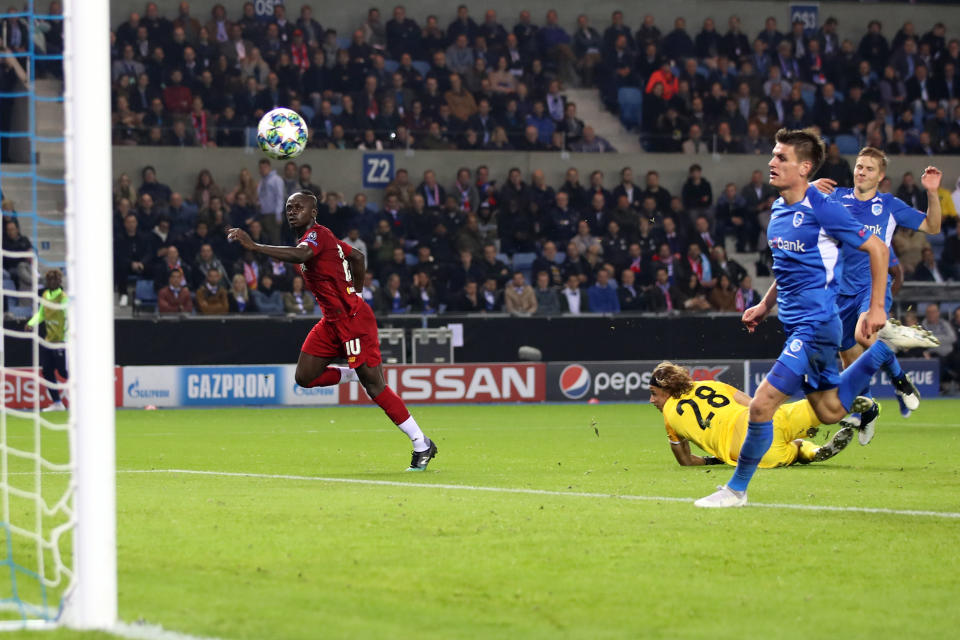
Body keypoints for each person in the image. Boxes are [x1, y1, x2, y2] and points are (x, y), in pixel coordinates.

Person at [698, 128, 935, 508]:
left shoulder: (822, 207)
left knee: (761, 405)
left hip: (815, 326)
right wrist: (764, 305)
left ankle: (736, 489)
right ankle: (878, 354)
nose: (772, 163)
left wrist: (876, 308)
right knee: (828, 411)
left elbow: (876, 248)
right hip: (796, 323)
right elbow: (787, 269)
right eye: (773, 155)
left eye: (781, 158)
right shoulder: (779, 208)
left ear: (804, 167)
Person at [227, 191, 437, 471]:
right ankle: (352, 373)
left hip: (352, 321)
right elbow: (358, 257)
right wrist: (358, 292)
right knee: (304, 377)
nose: (292, 211)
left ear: (313, 212)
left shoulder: (318, 235)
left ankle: (421, 443)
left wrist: (255, 246)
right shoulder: (321, 239)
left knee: (375, 386)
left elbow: (303, 254)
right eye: (289, 207)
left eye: (299, 207)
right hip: (331, 322)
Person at [813, 148, 943, 418]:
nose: (861, 172)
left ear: (881, 176)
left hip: (873, 285)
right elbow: (793, 205)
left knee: (865, 334)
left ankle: (900, 381)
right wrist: (809, 189)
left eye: (869, 169)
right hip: (840, 290)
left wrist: (931, 191)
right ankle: (868, 409)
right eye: (859, 166)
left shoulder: (889, 205)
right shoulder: (836, 198)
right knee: (850, 358)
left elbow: (933, 227)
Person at [649, 362, 856, 468]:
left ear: (667, 391)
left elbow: (686, 461)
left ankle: (813, 452)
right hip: (766, 419)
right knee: (819, 408)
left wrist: (712, 460)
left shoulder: (669, 416)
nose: (652, 401)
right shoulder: (713, 385)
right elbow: (754, 404)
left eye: (654, 394)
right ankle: (856, 404)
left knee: (796, 447)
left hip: (751, 451)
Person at [27, 270, 68, 412]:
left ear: (59, 282)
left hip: (61, 341)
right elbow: (42, 314)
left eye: (54, 280)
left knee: (64, 373)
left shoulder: (63, 298)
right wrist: (31, 322)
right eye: (49, 280)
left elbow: (69, 317)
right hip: (48, 341)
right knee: (47, 371)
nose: (51, 282)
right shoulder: (45, 295)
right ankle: (57, 403)